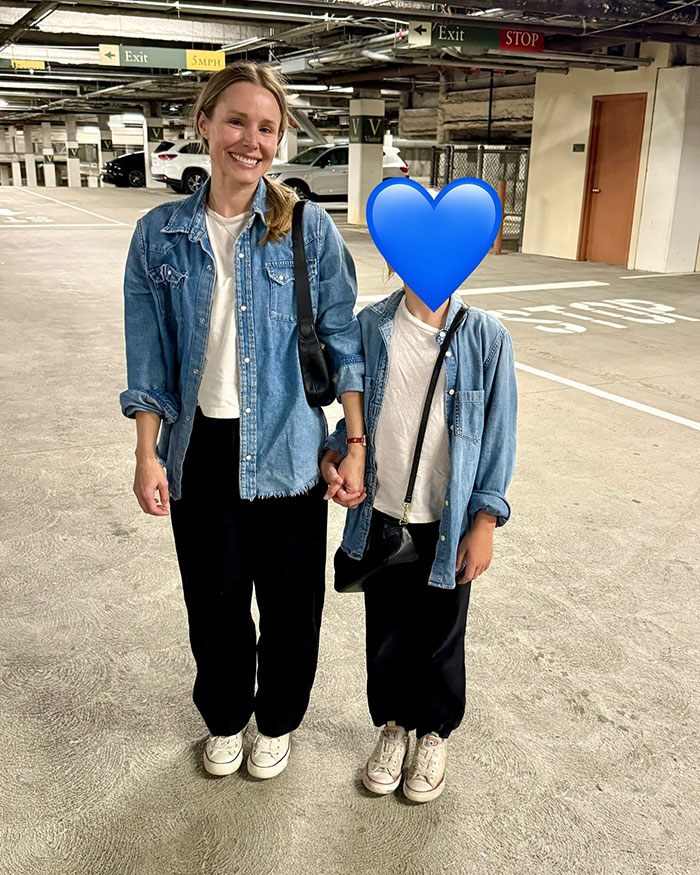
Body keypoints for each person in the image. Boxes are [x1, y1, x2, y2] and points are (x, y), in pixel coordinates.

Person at [120, 61, 366, 780]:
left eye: (266, 127)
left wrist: (350, 442)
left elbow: (345, 340)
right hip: (200, 447)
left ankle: (278, 720)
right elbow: (149, 358)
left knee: (291, 608)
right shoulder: (158, 235)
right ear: (203, 125)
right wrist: (146, 451)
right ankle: (225, 716)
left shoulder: (306, 229)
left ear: (279, 137)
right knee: (216, 604)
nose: (249, 140)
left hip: (287, 443)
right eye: (236, 121)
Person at [321, 265, 517, 803]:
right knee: (386, 632)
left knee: (442, 635)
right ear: (396, 259)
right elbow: (355, 412)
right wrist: (335, 454)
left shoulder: (487, 337)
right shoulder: (371, 328)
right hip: (383, 514)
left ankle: (433, 733)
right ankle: (392, 726)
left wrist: (484, 521)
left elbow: (499, 434)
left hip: (449, 521)